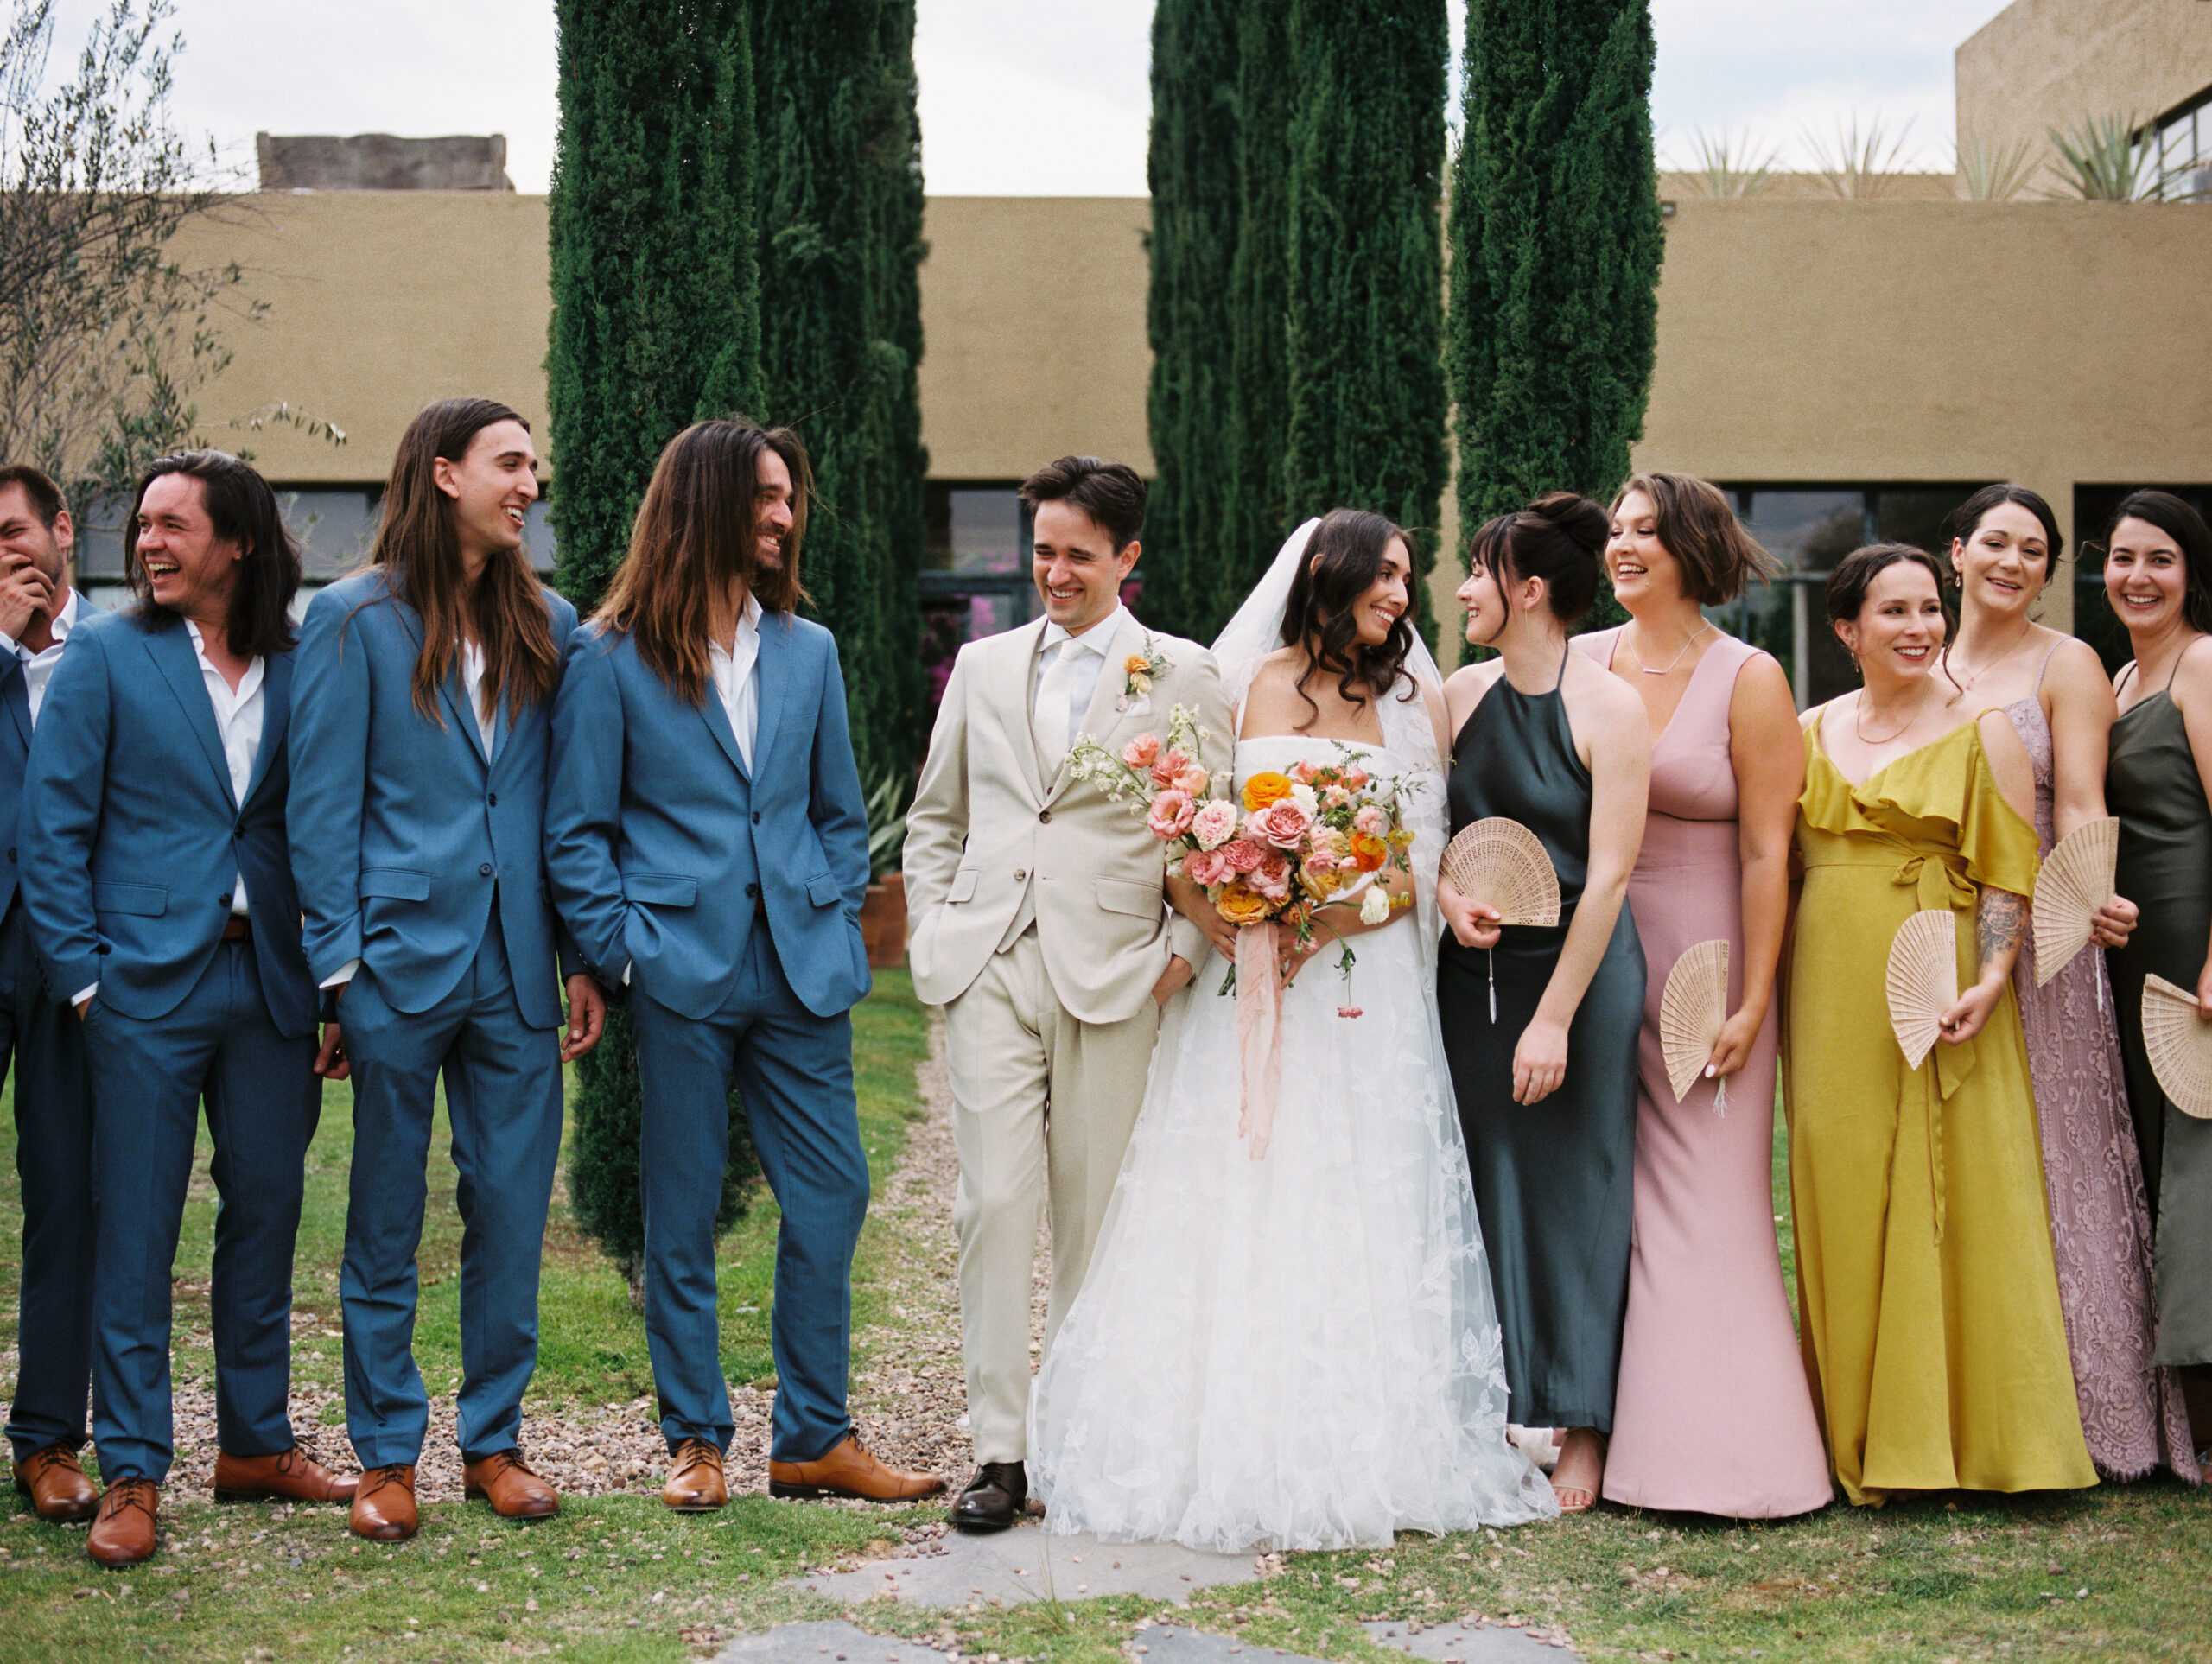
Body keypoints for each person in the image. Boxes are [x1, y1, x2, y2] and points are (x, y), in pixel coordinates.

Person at [1030, 511, 1556, 1549]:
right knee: (1237, 1184)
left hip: (1364, 993)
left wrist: (1329, 917)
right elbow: (1178, 824)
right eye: (1388, 575)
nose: (1403, 596)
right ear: (1329, 573)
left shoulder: (1415, 698)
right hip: (1248, 978)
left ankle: (1371, 1439)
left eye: (1411, 579)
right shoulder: (1242, 684)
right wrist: (1229, 916)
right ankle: (1214, 1433)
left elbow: (1423, 852)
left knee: (1365, 1188)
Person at [546, 418, 938, 1510]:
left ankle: (813, 1437)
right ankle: (697, 1441)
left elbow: (834, 813)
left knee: (833, 1197)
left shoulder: (807, 650)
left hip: (801, 972)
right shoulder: (608, 656)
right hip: (676, 971)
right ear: (704, 502)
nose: (783, 515)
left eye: (788, 499)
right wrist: (624, 949)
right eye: (764, 496)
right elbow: (577, 831)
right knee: (681, 1210)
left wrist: (826, 909)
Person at [22, 451, 353, 1567]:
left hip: (269, 983)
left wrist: (333, 978)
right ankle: (133, 1467)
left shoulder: (305, 660)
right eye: (143, 526)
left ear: (240, 542)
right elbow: (52, 826)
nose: (150, 543)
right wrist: (84, 977)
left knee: (264, 1210)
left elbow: (325, 823)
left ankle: (257, 1443)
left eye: (174, 525)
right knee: (137, 1225)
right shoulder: (110, 653)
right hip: (140, 990)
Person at [289, 398, 606, 1543]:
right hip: (391, 967)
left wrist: (577, 959)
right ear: (443, 473)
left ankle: (494, 1440)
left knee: (511, 1211)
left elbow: (565, 806)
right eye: (511, 463)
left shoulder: (551, 622)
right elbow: (318, 810)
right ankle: (384, 1454)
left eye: (534, 467)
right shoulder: (350, 619)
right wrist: (337, 974)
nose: (531, 484)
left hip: (519, 966)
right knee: (381, 1217)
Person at [904, 455, 1232, 1533]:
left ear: (1126, 560)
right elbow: (935, 817)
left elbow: (1215, 831)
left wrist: (1185, 947)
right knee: (994, 1203)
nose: (1053, 572)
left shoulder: (1183, 676)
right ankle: (997, 1453)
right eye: (1041, 551)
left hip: (1119, 973)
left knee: (1097, 1218)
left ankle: (1085, 1442)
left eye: (1077, 556)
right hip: (990, 958)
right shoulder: (984, 664)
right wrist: (936, 928)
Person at [1787, 542, 2094, 1506]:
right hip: (1829, 981)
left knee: (1954, 1194)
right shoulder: (1803, 731)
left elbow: (2011, 869)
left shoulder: (1987, 730)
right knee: (1837, 1186)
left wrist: (1993, 974)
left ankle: (1964, 1439)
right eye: (1894, 612)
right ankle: (1850, 1434)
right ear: (1846, 630)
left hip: (1945, 979)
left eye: (1928, 608)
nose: (1920, 627)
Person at [1575, 473, 1831, 1517]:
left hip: (1705, 957)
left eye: (1646, 531)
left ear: (1692, 548)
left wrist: (1754, 996)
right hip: (1590, 949)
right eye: (1616, 531)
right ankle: (1591, 1429)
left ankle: (1729, 1455)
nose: (1622, 546)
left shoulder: (1750, 676)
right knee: (1604, 1192)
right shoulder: (1582, 662)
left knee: (1708, 1200)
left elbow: (1772, 852)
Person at [1941, 484, 2197, 1482]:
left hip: (2047, 942)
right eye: (1994, 543)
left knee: (2062, 1161)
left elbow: (2086, 799)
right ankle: (1984, 1397)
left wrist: (2089, 891)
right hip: (1944, 927)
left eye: (2033, 550)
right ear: (1955, 552)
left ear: (2048, 572)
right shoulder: (1932, 655)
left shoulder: (2070, 662)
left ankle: (2104, 1416)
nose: (2011, 562)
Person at [1436, 495, 1649, 1515]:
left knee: (1580, 1189)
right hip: (1471, 977)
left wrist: (1556, 1017)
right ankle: (1493, 1402)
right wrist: (1444, 895)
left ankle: (1583, 1425)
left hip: (1580, 972)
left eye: (1478, 571)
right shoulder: (1456, 694)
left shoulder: (1610, 707)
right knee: (1483, 1187)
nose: (1463, 589)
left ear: (1526, 590)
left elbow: (1608, 878)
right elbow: (1416, 831)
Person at [0, 467, 99, 1524]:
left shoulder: (120, 647)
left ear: (62, 532)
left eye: (14, 531)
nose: (6, 555)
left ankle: (47, 1439)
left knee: (66, 1195)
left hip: (71, 959)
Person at [2104, 490, 2212, 1394]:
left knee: (2200, 1143)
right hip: (2127, 950)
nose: (2137, 577)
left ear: (2190, 574)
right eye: (2123, 558)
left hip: (2190, 938)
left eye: (2159, 560)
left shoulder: (2203, 666)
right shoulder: (2119, 680)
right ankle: (2176, 1396)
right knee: (2154, 1146)